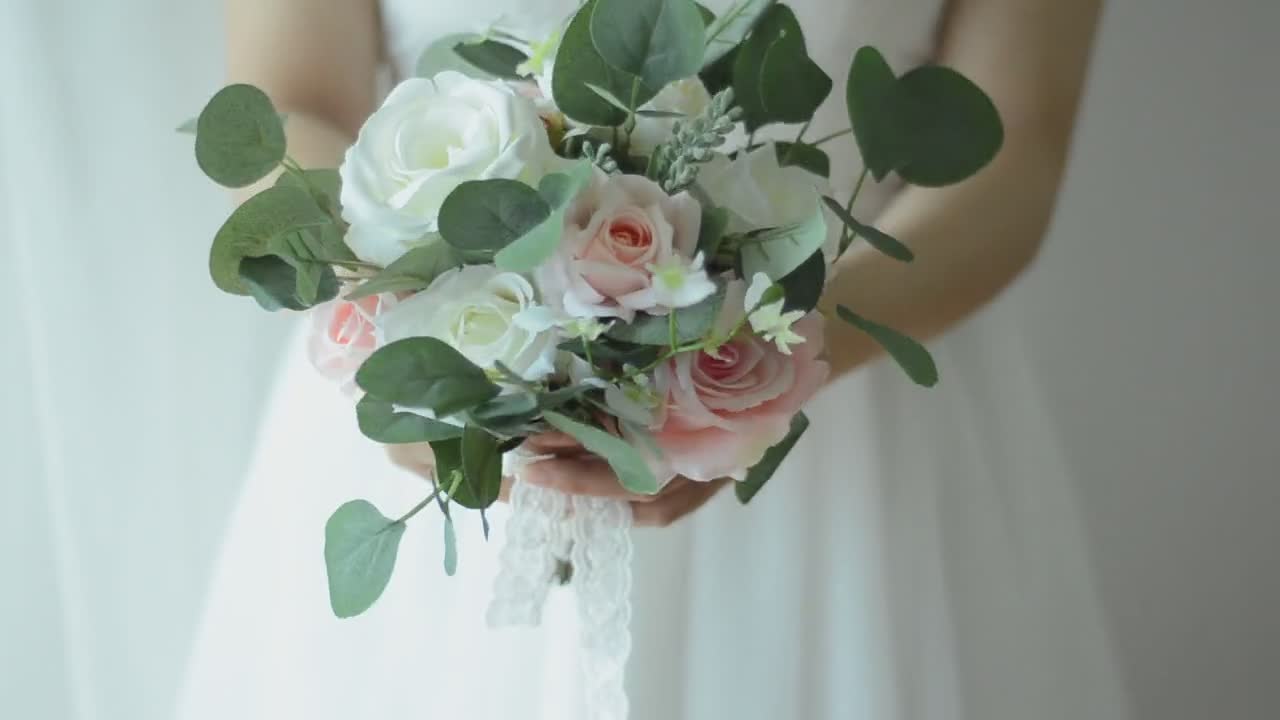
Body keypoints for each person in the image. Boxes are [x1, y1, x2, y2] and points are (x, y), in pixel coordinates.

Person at [180, 1, 1126, 718]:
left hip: (855, 425)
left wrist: (755, 363)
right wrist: (424, 330)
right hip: (442, 386)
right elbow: (292, 96)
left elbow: (1016, 150)